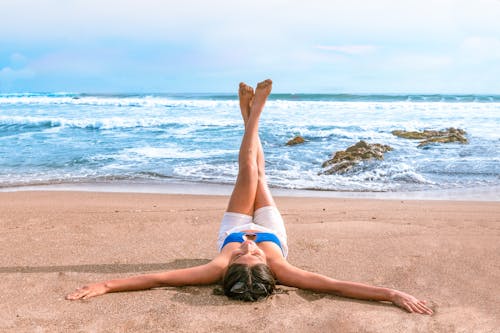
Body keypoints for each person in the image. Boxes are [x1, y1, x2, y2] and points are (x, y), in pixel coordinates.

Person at [66, 79, 433, 315]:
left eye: (241, 254)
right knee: (261, 172)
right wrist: (392, 293)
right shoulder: (284, 269)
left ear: (229, 267)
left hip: (234, 223)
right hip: (274, 226)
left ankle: (252, 116)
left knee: (248, 171)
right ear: (268, 268)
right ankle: (252, 116)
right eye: (254, 254)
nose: (249, 246)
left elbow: (159, 278)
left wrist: (107, 285)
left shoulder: (216, 267)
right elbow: (338, 286)